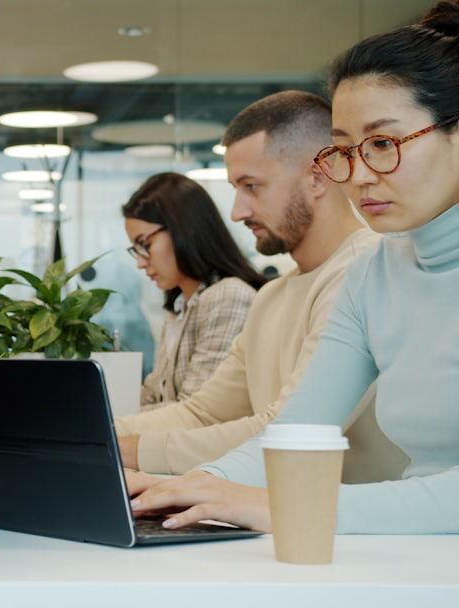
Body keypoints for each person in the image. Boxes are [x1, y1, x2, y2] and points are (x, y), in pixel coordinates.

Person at [129, 0, 459, 535]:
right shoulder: (372, 273)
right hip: (412, 558)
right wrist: (196, 485)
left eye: (381, 143)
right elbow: (294, 432)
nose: (358, 175)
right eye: (344, 151)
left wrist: (280, 507)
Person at [114, 90, 408, 480]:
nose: (237, 212)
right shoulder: (271, 297)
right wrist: (95, 435)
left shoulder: (366, 273)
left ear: (318, 178)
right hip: (275, 514)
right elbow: (203, 413)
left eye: (251, 186)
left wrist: (128, 451)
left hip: (351, 527)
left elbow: (283, 427)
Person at [123, 172, 268, 409]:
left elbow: (197, 411)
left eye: (145, 245)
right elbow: (153, 393)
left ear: (182, 228)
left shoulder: (228, 296)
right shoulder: (180, 305)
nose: (140, 262)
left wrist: (112, 422)